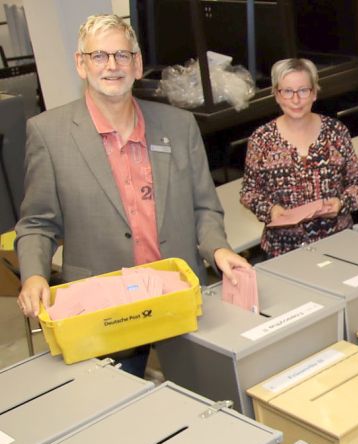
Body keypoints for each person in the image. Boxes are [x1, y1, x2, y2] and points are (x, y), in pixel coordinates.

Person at [15, 14, 249, 375]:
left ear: (137, 64)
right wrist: (34, 275)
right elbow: (37, 223)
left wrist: (218, 249)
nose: (112, 66)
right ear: (81, 64)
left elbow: (204, 207)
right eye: (99, 56)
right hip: (103, 308)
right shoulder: (49, 134)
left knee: (207, 405)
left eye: (122, 55)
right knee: (119, 419)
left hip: (179, 296)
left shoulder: (179, 126)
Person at [239, 58, 358, 258]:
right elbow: (249, 192)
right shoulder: (261, 140)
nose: (296, 100)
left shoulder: (336, 132)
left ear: (314, 93)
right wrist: (270, 210)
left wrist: (341, 203)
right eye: (287, 91)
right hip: (282, 250)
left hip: (338, 243)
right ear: (276, 95)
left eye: (303, 90)